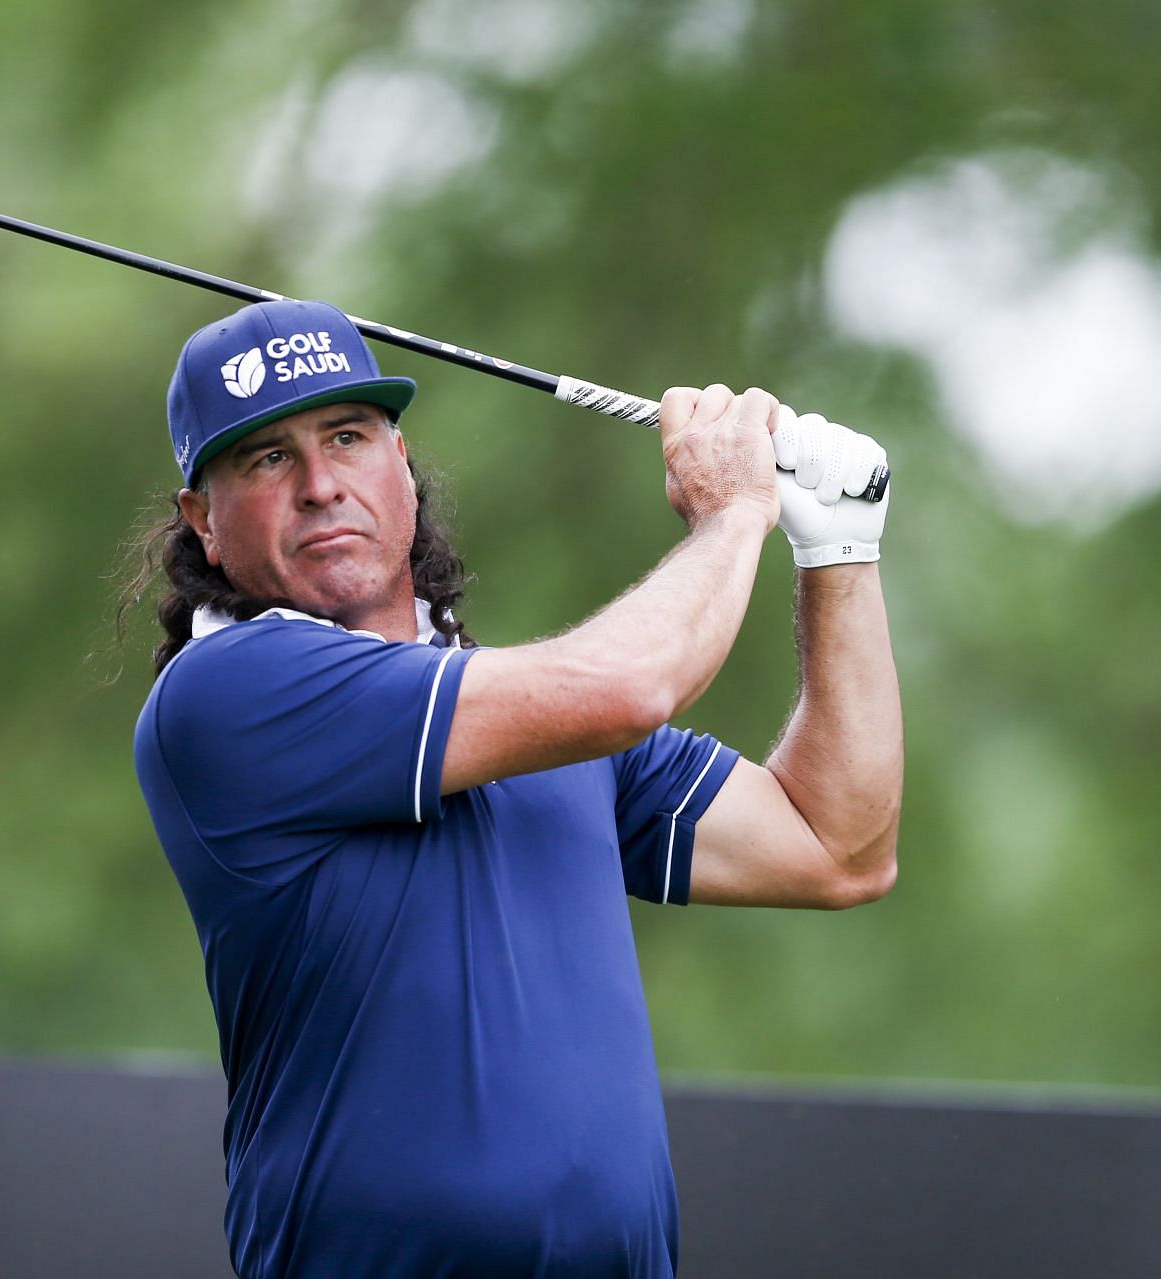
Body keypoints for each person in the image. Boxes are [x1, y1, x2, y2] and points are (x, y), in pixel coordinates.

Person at [131, 298, 902, 1278]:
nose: (322, 484)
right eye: (267, 459)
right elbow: (627, 685)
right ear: (202, 518)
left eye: (348, 437)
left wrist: (839, 551)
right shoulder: (230, 691)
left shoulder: (540, 721)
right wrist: (737, 510)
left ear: (400, 465)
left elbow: (837, 844)